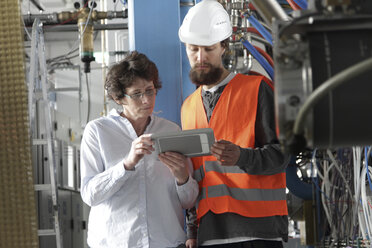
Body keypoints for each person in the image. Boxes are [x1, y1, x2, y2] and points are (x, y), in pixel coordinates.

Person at [178, 0, 289, 247]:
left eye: (208, 49)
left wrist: (242, 157)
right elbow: (198, 175)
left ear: (224, 46)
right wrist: (192, 231)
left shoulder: (256, 89)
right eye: (193, 49)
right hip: (211, 235)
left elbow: (282, 155)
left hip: (259, 232)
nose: (200, 57)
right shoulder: (188, 107)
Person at [80, 51, 199, 248]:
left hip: (166, 243)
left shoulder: (171, 131)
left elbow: (188, 201)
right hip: (115, 243)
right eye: (137, 94)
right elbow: (90, 195)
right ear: (119, 98)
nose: (146, 100)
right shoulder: (98, 132)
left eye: (150, 90)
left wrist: (182, 177)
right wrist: (127, 164)